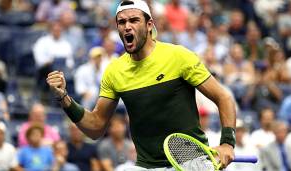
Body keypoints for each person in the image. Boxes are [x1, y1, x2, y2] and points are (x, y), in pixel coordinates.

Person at [47, 0, 237, 170]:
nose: (127, 27)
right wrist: (64, 98)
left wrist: (227, 143)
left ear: (149, 25)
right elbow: (95, 126)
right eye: (121, 23)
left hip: (192, 162)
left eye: (134, 20)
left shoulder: (179, 56)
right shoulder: (114, 71)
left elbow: (224, 97)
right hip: (147, 166)